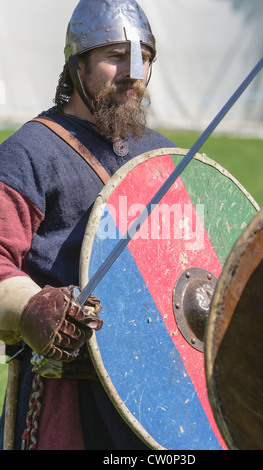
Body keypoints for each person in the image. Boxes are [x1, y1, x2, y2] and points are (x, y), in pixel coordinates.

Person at [0, 0, 176, 450]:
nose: (134, 73)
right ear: (78, 64)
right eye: (116, 56)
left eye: (145, 58)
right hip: (65, 395)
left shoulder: (163, 159)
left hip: (155, 392)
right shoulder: (30, 152)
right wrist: (30, 306)